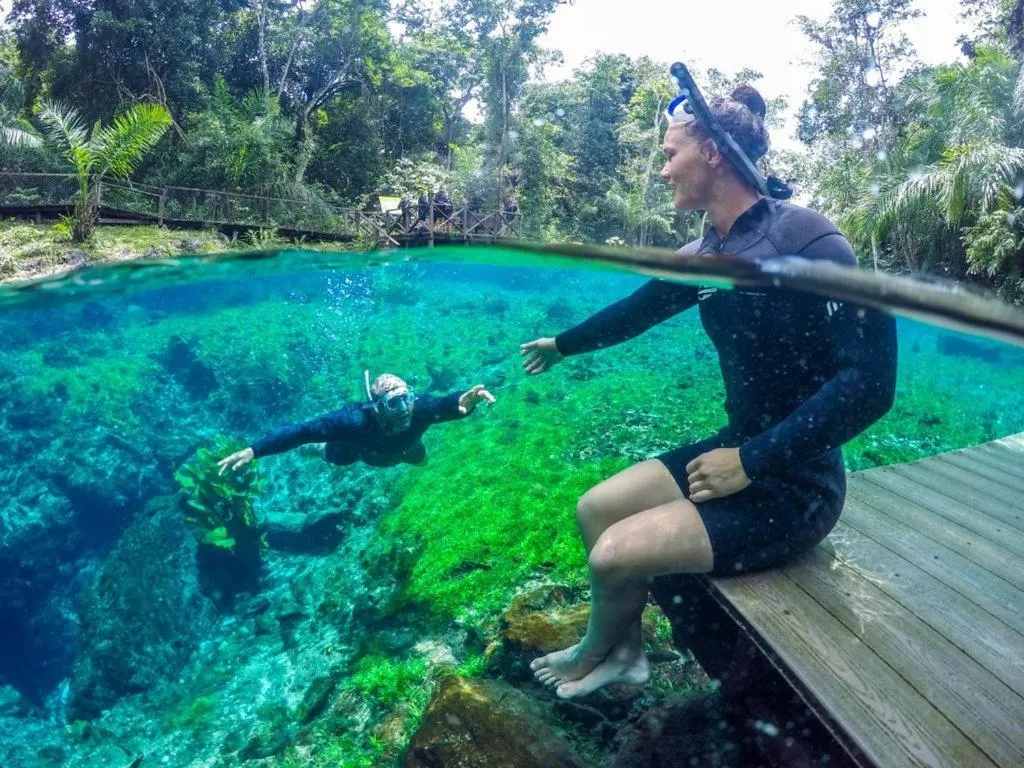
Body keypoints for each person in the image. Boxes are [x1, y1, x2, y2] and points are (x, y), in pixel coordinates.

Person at [519, 76, 898, 699]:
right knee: (596, 509)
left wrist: (751, 462)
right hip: (738, 447)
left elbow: (869, 385)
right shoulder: (705, 252)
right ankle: (627, 654)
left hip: (798, 483)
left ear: (713, 154)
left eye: (671, 156)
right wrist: (563, 345)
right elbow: (635, 311)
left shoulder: (808, 239)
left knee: (613, 554)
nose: (664, 171)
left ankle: (596, 649)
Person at [217, 372, 495, 474]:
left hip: (404, 451)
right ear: (376, 407)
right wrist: (255, 450)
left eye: (407, 399)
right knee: (335, 455)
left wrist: (466, 402)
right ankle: (319, 450)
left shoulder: (418, 409)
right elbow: (301, 432)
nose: (404, 409)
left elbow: (446, 404)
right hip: (358, 450)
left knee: (422, 460)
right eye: (393, 403)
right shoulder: (353, 421)